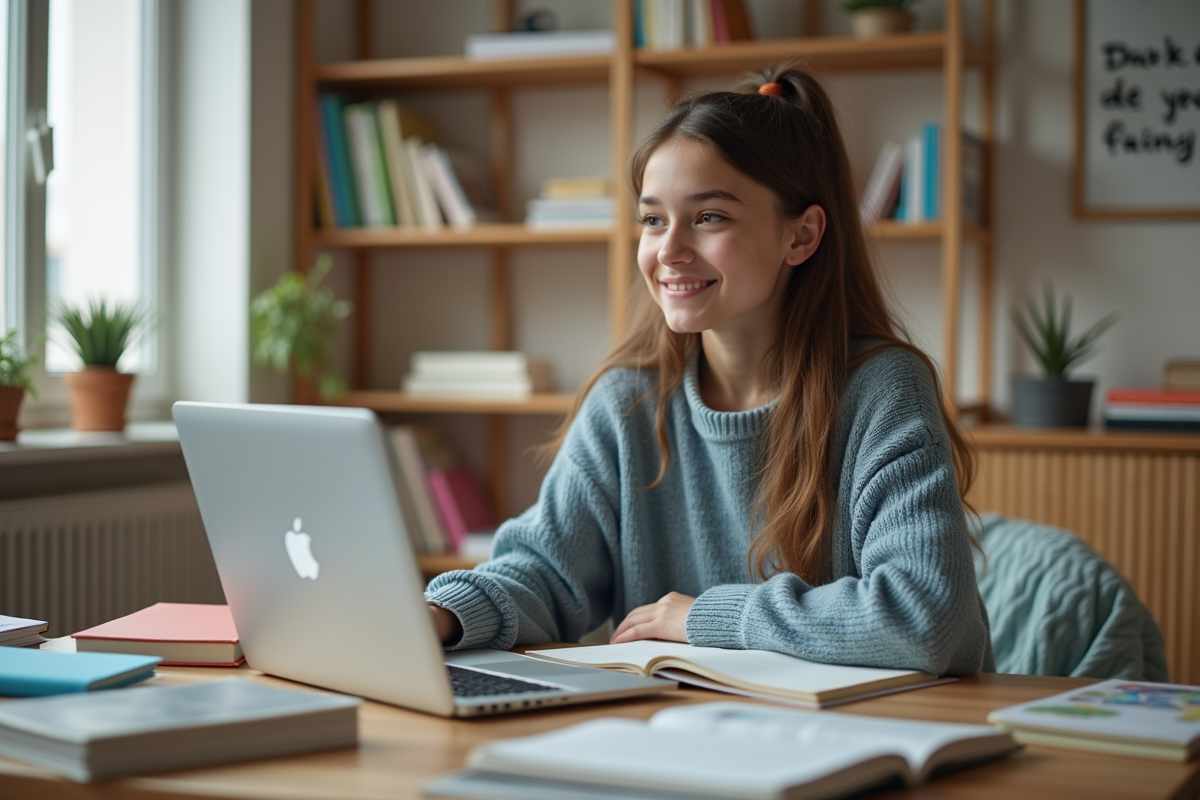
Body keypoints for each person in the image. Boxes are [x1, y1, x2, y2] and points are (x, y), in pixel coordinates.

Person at [425, 66, 994, 676]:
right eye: (652, 219)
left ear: (800, 236)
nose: (668, 249)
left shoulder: (883, 391)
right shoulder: (627, 404)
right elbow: (543, 570)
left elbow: (923, 615)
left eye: (709, 217)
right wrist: (439, 616)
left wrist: (705, 619)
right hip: (684, 736)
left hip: (885, 738)